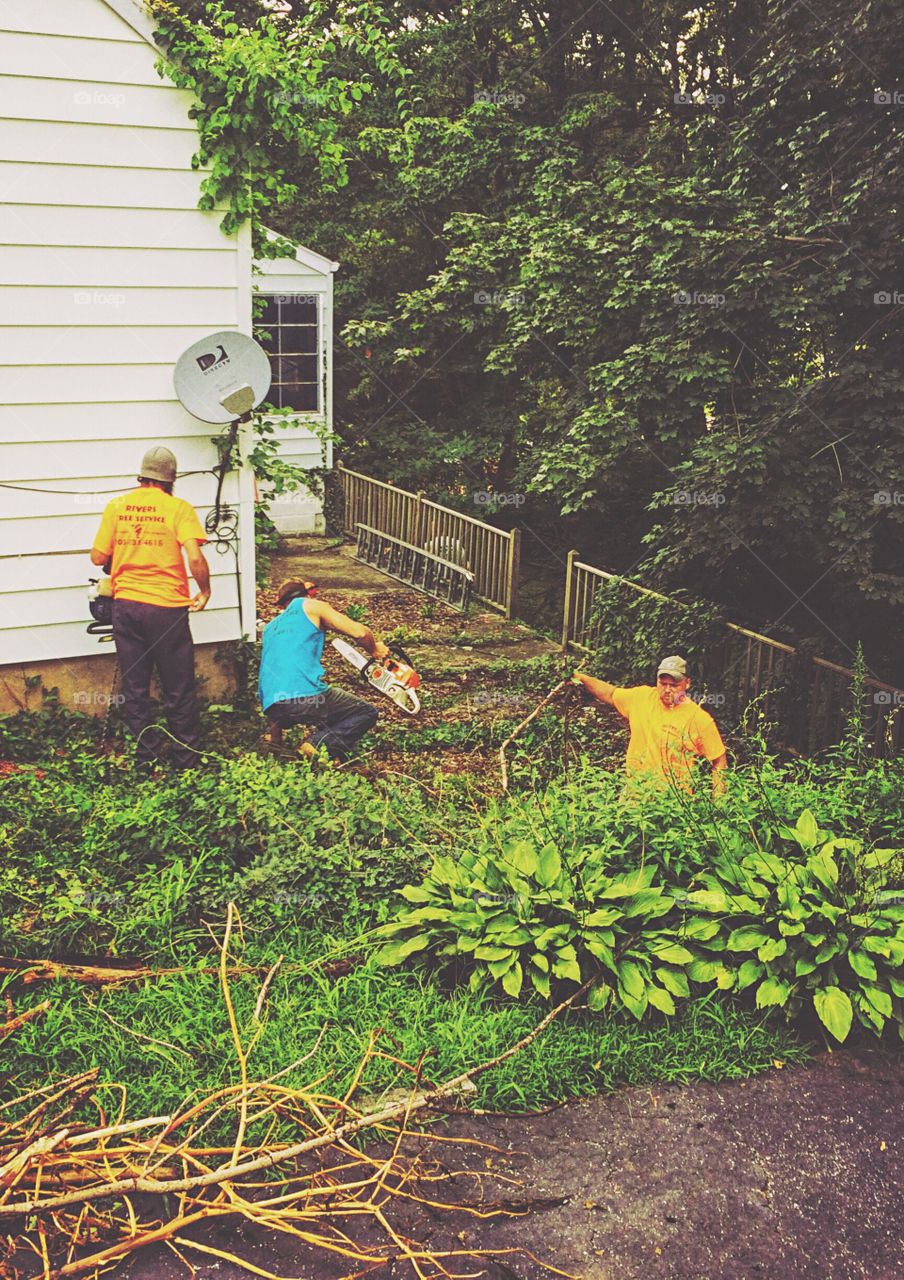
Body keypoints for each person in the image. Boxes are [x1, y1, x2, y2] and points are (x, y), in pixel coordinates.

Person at [91, 446, 210, 774]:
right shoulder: (179, 509)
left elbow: (98, 557)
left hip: (126, 607)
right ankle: (186, 762)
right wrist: (205, 590)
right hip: (166, 610)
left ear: (142, 476)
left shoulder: (117, 506)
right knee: (179, 687)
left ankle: (146, 761)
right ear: (170, 480)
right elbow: (195, 557)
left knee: (136, 688)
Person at [259, 579, 389, 761]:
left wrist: (275, 740)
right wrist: (375, 649)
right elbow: (360, 633)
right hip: (305, 698)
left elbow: (275, 681)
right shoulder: (311, 607)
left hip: (273, 706)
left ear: (281, 603)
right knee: (365, 712)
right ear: (307, 593)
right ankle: (315, 746)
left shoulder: (270, 628)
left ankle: (336, 756)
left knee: (332, 714)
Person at [572, 655, 728, 794]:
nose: (667, 690)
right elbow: (611, 694)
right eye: (663, 683)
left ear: (687, 684)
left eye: (674, 685)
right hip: (635, 794)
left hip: (672, 804)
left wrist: (719, 803)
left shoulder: (699, 719)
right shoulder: (642, 697)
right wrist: (580, 677)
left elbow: (719, 759)